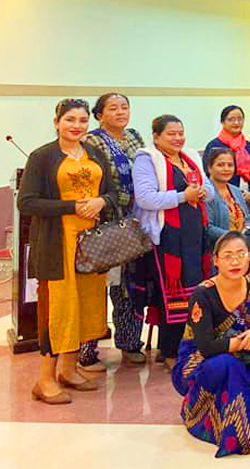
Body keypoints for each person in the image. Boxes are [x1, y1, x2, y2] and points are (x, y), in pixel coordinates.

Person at [18, 98, 118, 404]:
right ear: (57, 122)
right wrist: (72, 206)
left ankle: (68, 369)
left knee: (84, 307)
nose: (77, 126)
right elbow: (27, 202)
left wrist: (101, 202)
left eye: (82, 120)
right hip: (56, 245)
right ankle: (45, 380)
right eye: (70, 119)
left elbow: (112, 193)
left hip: (90, 247)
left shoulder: (94, 153)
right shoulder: (42, 156)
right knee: (57, 310)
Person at [171, 232, 250, 457]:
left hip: (243, 357)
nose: (235, 262)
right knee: (227, 365)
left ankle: (246, 429)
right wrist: (247, 342)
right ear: (216, 260)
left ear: (249, 258)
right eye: (227, 256)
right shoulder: (203, 294)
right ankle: (205, 416)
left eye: (240, 254)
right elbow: (206, 347)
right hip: (199, 361)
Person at [133, 114, 211, 366]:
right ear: (156, 137)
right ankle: (169, 351)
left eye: (181, 133)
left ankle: (191, 346)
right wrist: (183, 196)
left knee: (195, 291)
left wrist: (202, 192)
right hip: (166, 239)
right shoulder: (147, 159)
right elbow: (145, 198)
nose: (178, 138)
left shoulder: (190, 157)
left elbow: (209, 190)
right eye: (171, 134)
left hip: (195, 237)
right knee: (171, 294)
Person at [79, 92, 147, 368]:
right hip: (102, 222)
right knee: (95, 287)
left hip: (133, 222)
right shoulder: (92, 141)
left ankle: (130, 343)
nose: (120, 112)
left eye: (124, 107)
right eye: (113, 108)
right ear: (100, 115)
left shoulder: (134, 137)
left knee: (129, 286)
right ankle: (86, 348)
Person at [204, 105, 250, 200]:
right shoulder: (214, 146)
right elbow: (207, 174)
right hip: (221, 198)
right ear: (222, 122)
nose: (236, 123)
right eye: (231, 119)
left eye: (240, 119)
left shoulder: (249, 147)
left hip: (248, 198)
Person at [204, 147, 250, 249]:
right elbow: (208, 228)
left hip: (242, 245)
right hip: (217, 247)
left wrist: (246, 233)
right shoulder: (206, 193)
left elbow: (247, 219)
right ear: (210, 168)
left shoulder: (236, 191)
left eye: (230, 165)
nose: (226, 169)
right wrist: (233, 238)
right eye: (220, 165)